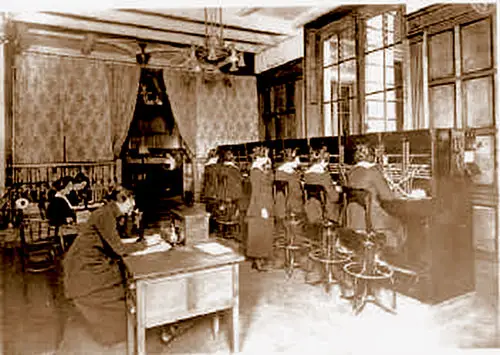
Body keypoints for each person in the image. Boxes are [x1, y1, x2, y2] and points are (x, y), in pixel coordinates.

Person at [62, 186, 145, 347]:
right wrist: (142, 245)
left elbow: (114, 243)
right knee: (124, 284)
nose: (132, 207)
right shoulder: (106, 215)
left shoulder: (107, 212)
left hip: (88, 261)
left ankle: (118, 328)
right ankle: (117, 330)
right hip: (83, 267)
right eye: (131, 203)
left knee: (123, 280)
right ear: (124, 200)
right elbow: (119, 249)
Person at [344, 144, 404, 253]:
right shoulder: (373, 171)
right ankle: (391, 260)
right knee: (400, 225)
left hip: (352, 220)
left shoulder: (351, 172)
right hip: (373, 221)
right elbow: (388, 197)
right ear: (371, 156)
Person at [246, 147, 274, 271]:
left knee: (263, 231)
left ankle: (259, 259)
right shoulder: (256, 171)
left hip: (265, 202)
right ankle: (258, 260)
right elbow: (257, 191)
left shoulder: (260, 169)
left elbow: (269, 180)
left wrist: (268, 168)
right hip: (260, 204)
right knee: (259, 232)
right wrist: (262, 208)